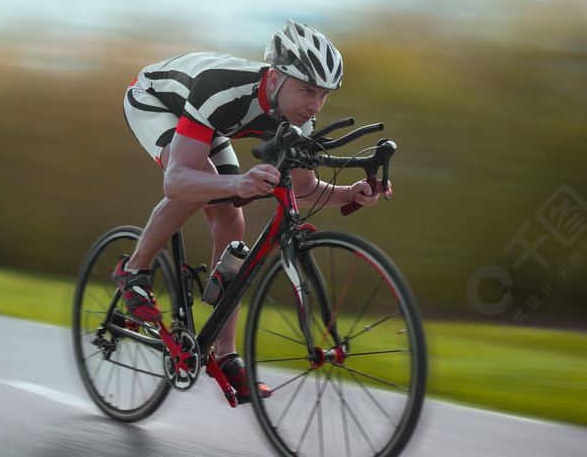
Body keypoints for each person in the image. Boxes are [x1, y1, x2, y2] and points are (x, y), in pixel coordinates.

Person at [116, 20, 391, 403]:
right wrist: (238, 183)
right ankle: (133, 272)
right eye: (307, 90)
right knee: (200, 181)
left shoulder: (298, 115)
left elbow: (306, 188)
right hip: (155, 99)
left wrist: (351, 193)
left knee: (232, 217)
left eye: (323, 95)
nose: (315, 105)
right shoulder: (224, 88)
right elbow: (176, 181)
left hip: (206, 120)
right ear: (276, 77)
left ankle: (225, 355)